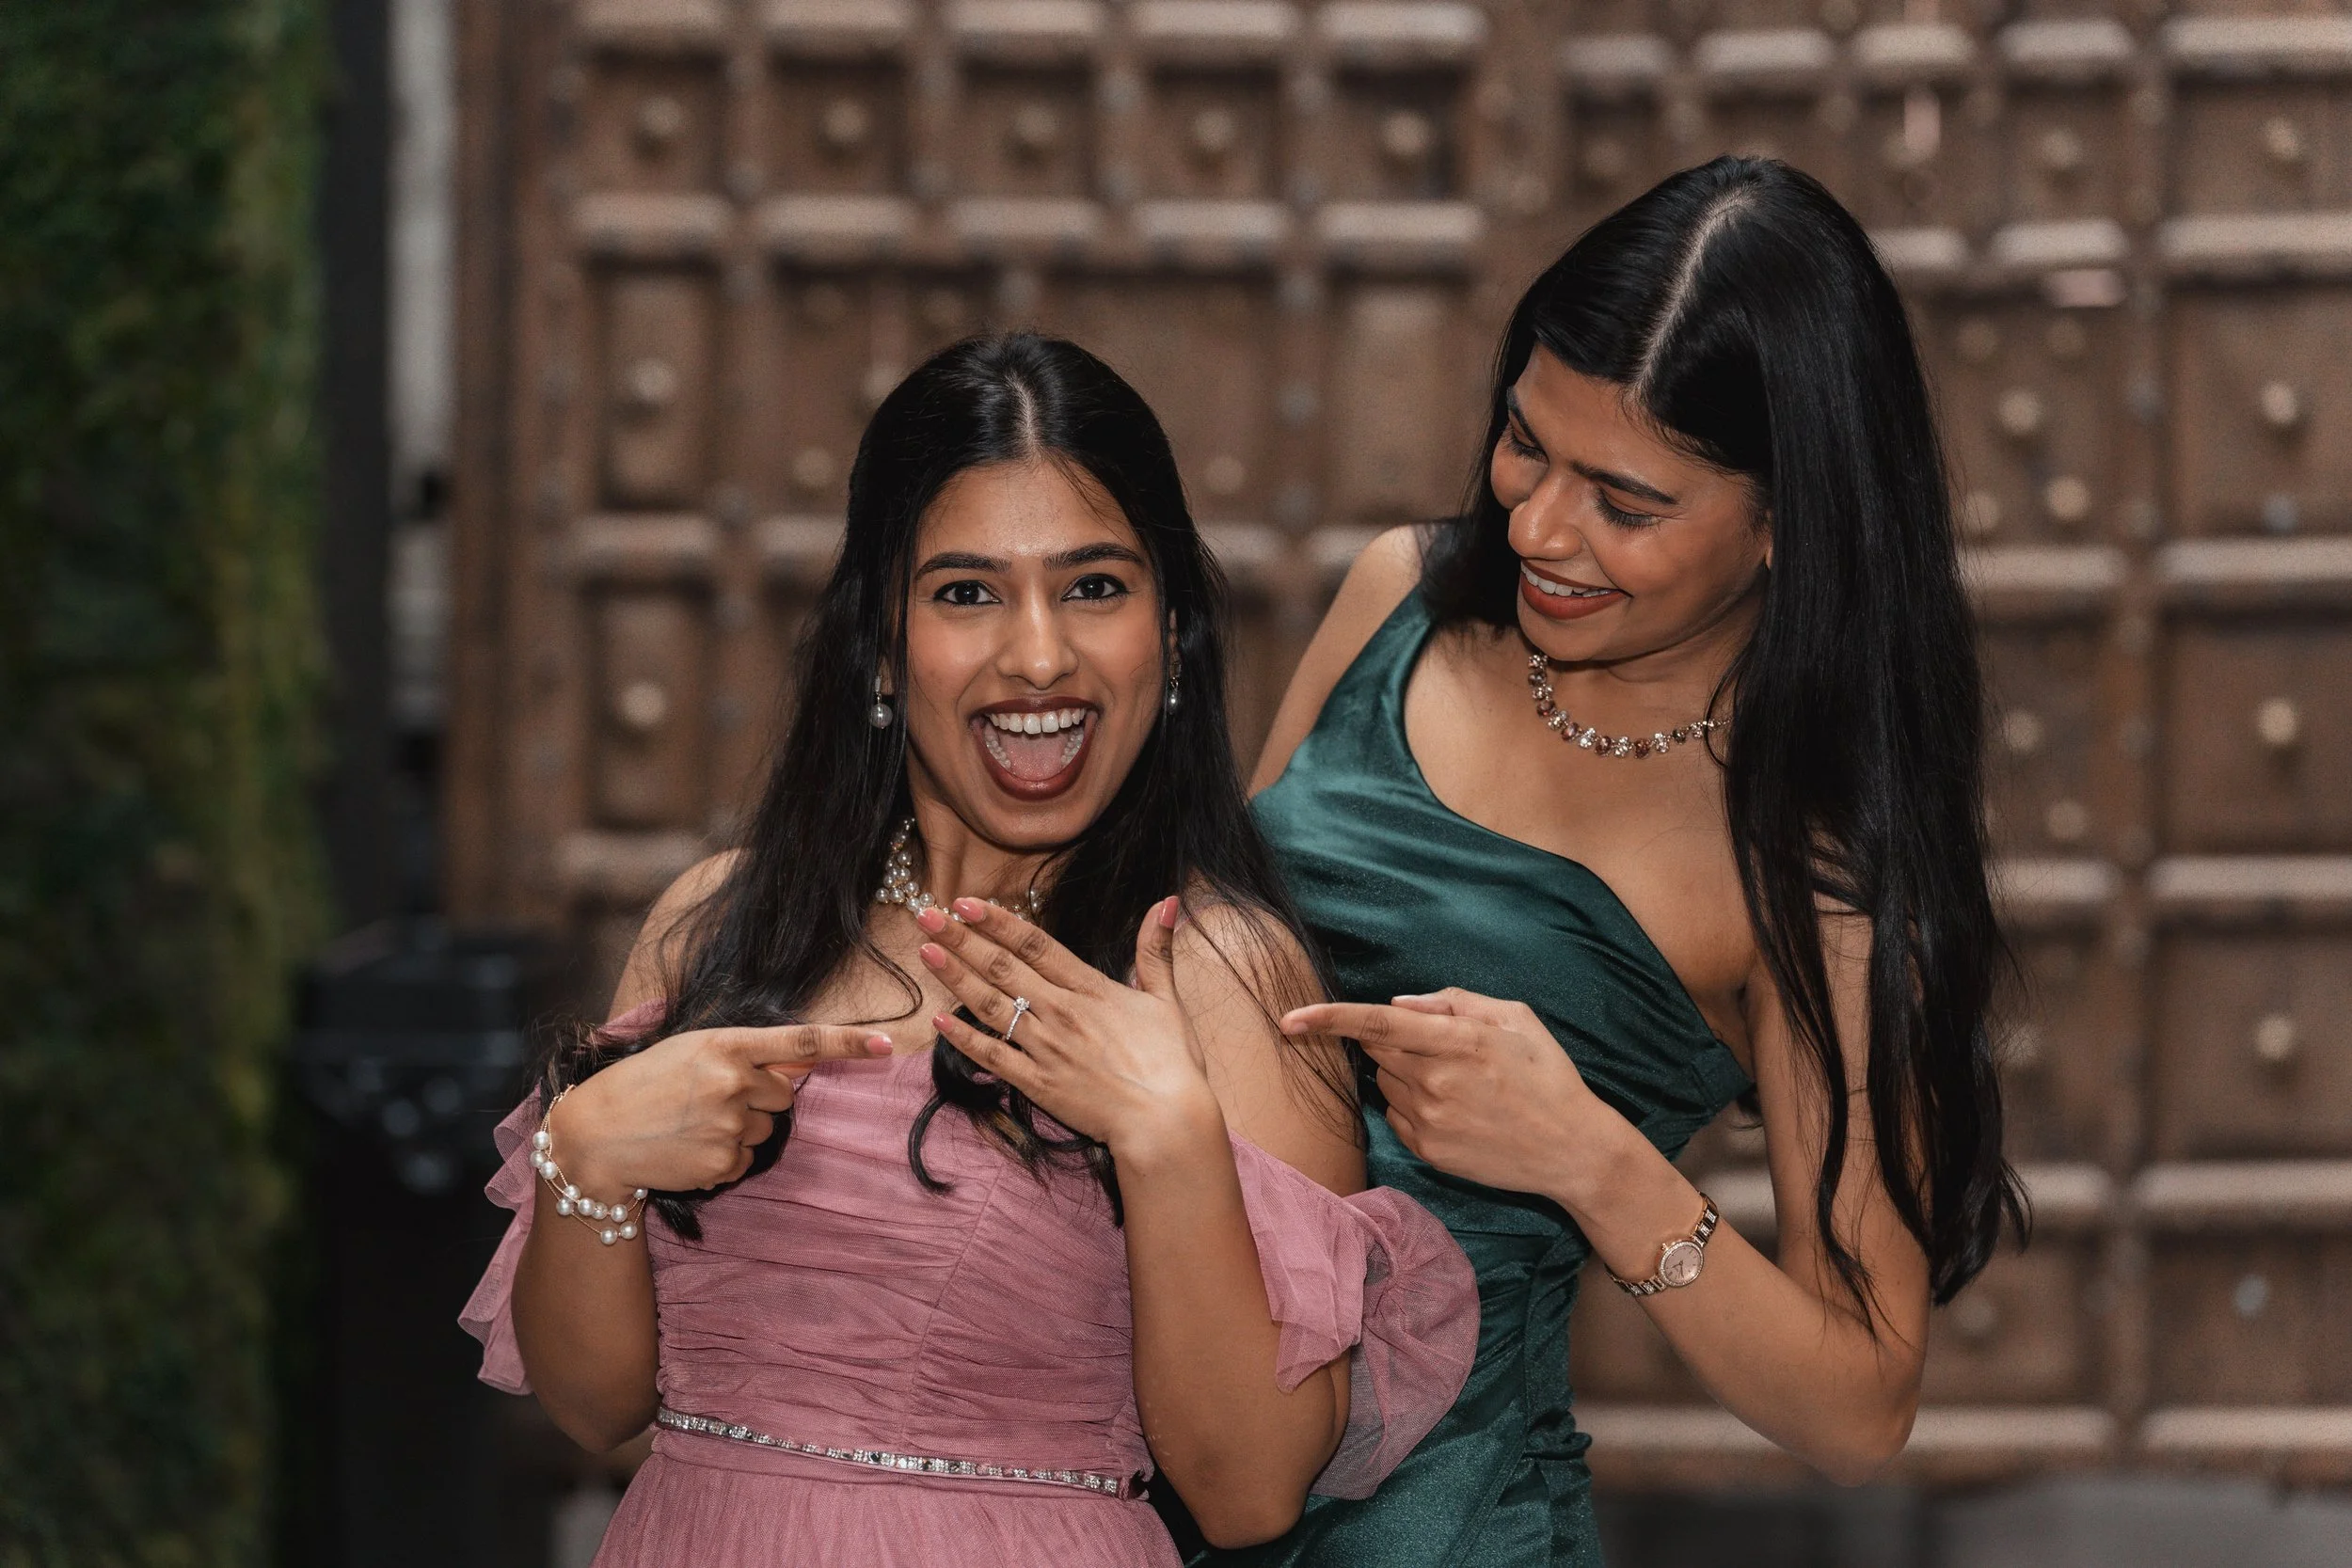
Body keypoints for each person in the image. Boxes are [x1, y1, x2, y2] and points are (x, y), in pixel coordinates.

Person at [459, 334, 1478, 1566]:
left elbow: (1251, 1493)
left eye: (1094, 587)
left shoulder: (1215, 972)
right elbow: (594, 1405)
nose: (1038, 654)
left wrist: (1165, 1136)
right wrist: (584, 1155)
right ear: (881, 644)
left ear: (1171, 634)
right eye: (966, 593)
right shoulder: (719, 926)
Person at [1230, 157, 2026, 1566]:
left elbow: (1862, 1404)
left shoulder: (1814, 874)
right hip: (1148, 1453)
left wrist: (1592, 1160)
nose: (1538, 526)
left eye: (1627, 502)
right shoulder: (1399, 600)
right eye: (1525, 443)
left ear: (1786, 521)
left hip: (1437, 1528)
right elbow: (1200, 964)